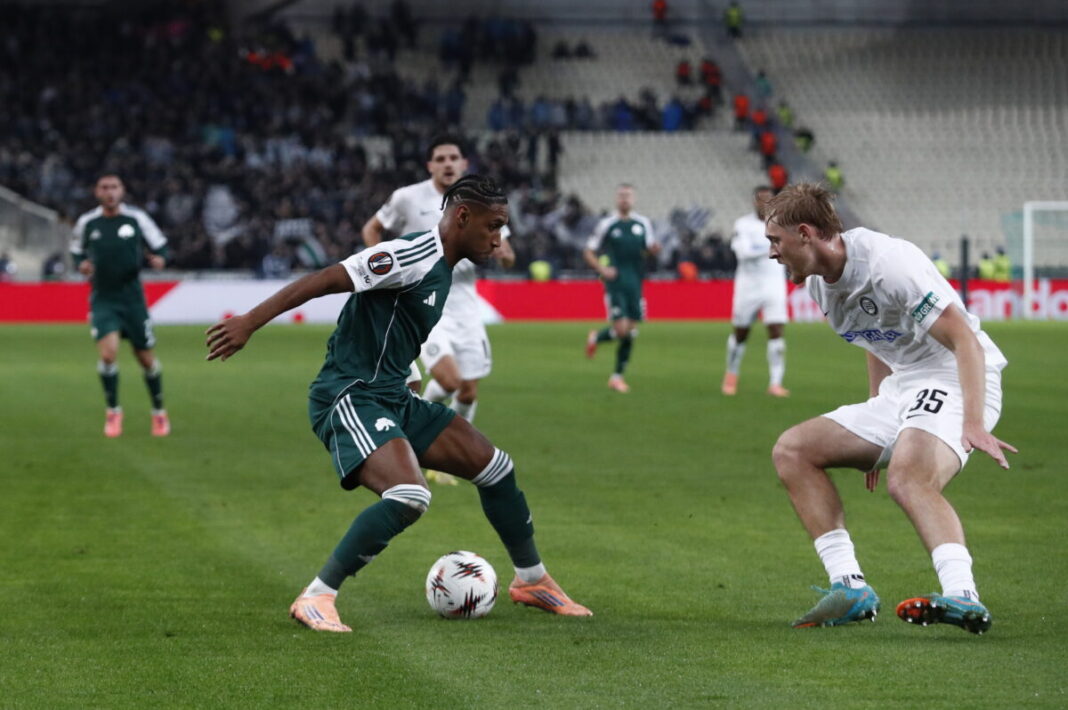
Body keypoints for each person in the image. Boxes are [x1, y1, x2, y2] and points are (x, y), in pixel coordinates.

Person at [206, 176, 591, 632]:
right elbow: (325, 279)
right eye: (493, 226)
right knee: (410, 495)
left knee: (496, 469)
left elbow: (394, 327)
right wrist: (249, 322)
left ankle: (532, 580)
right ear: (462, 216)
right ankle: (317, 596)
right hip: (350, 394)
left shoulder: (445, 269)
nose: (498, 239)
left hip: (394, 397)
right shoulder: (411, 254)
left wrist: (408, 379)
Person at [765, 183, 1015, 634]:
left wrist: (974, 422)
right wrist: (877, 419)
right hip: (902, 387)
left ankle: (963, 595)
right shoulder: (820, 284)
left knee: (908, 477)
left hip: (955, 376)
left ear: (804, 233)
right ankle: (850, 587)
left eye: (775, 241)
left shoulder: (888, 264)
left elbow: (964, 339)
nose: (771, 253)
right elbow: (873, 338)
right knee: (792, 450)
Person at [363, 135, 515, 487]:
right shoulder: (407, 198)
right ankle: (419, 443)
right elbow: (372, 228)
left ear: (464, 164)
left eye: (453, 157)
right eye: (441, 158)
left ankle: (450, 457)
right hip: (425, 303)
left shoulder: (483, 202)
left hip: (466, 307)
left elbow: (505, 252)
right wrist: (383, 269)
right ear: (430, 165)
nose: (448, 163)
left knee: (468, 392)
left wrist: (506, 256)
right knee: (448, 381)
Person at [70, 174, 170, 438]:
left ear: (122, 190)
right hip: (103, 299)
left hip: (133, 300)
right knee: (108, 355)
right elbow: (76, 250)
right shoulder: (88, 222)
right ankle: (113, 411)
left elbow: (161, 245)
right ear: (97, 192)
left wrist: (160, 259)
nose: (110, 192)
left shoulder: (136, 219)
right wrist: (81, 264)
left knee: (146, 359)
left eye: (114, 187)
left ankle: (159, 412)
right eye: (104, 188)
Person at [584, 184, 660, 393]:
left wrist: (654, 250)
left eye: (628, 195)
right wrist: (602, 269)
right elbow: (588, 251)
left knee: (630, 331)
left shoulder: (643, 223)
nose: (624, 199)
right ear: (616, 199)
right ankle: (599, 341)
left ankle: (616, 376)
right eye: (621, 195)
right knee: (621, 329)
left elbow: (648, 249)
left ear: (633, 199)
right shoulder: (607, 224)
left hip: (636, 282)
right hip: (615, 283)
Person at [722, 186, 789, 397]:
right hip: (748, 285)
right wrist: (773, 247)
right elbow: (743, 253)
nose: (765, 203)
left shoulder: (782, 224)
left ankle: (775, 382)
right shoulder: (743, 224)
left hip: (773, 283)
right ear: (754, 201)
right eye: (762, 199)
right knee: (741, 332)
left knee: (776, 330)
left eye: (769, 199)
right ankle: (731, 374)